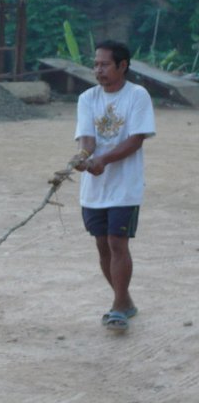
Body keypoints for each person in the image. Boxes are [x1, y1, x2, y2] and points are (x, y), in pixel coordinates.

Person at [70, 40, 156, 332]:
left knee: (117, 243)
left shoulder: (137, 96)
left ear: (123, 66)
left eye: (105, 64)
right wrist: (82, 158)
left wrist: (103, 160)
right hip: (94, 189)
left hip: (125, 187)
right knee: (101, 245)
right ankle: (125, 300)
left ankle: (118, 307)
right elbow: (87, 139)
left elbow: (136, 139)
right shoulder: (87, 98)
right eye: (96, 64)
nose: (98, 70)